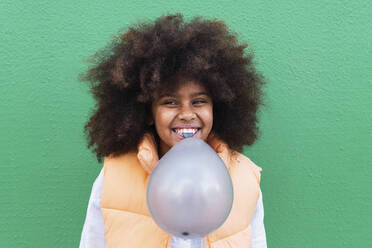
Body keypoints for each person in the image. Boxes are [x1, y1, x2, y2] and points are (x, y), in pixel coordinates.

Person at [79, 13, 267, 248]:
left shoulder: (245, 179)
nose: (187, 114)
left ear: (218, 106)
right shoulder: (113, 177)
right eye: (170, 102)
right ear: (148, 112)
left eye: (199, 101)